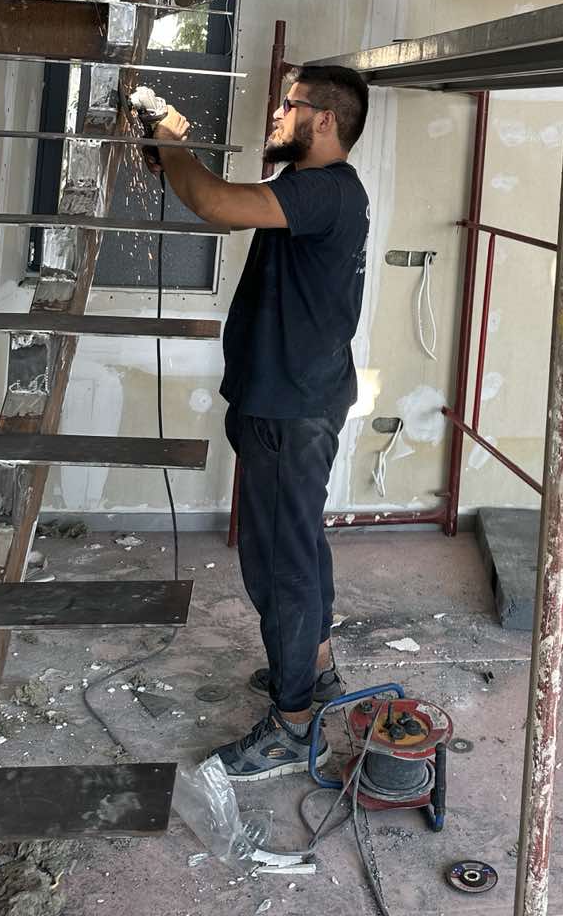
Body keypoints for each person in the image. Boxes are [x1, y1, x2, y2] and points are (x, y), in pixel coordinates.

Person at [148, 63, 370, 780]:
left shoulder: (324, 190)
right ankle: (316, 671)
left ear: (324, 120)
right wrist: (172, 161)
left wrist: (172, 143)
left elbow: (215, 201)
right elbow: (220, 200)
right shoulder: (311, 190)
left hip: (290, 407)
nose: (277, 114)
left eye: (289, 104)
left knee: (280, 562)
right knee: (299, 545)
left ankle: (295, 725)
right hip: (293, 399)